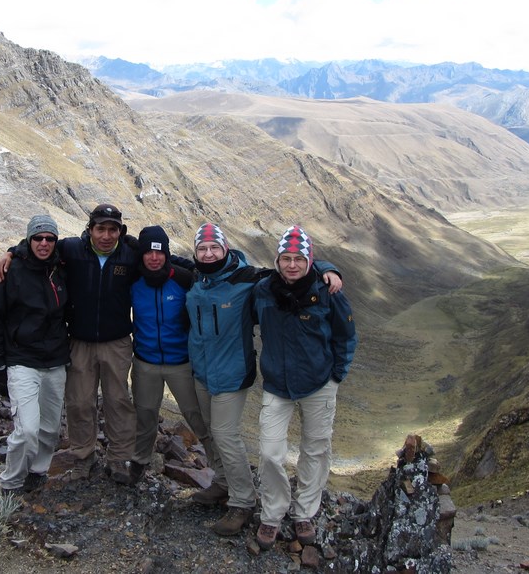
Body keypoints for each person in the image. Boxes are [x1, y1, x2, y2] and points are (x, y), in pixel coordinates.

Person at [186, 223, 344, 537]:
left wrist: (328, 267)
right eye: (202, 248)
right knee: (209, 431)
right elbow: (164, 263)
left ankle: (244, 502)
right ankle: (224, 484)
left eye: (214, 247)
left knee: (226, 434)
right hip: (202, 372)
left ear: (226, 248)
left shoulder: (248, 281)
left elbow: (293, 267)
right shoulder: (194, 278)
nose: (208, 253)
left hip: (233, 373)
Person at [0, 204, 139, 484]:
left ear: (120, 231)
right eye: (101, 229)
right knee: (80, 403)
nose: (106, 235)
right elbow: (38, 244)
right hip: (79, 342)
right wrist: (10, 252)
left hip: (117, 342)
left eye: (113, 229)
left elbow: (163, 261)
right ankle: (83, 457)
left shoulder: (130, 255)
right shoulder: (71, 250)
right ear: (90, 230)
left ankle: (118, 459)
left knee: (118, 401)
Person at [251, 225, 357, 550]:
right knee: (269, 453)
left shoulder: (328, 292)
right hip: (277, 384)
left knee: (315, 449)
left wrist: (336, 375)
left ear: (310, 260)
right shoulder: (263, 291)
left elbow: (345, 335)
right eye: (286, 258)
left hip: (319, 383)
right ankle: (272, 514)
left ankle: (304, 513)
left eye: (299, 258)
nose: (292, 265)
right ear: (277, 260)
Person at [0, 214, 70, 495]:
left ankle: (37, 472)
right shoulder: (10, 272)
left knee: (50, 428)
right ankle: (11, 483)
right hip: (21, 361)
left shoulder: (62, 268)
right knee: (27, 429)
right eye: (37, 238)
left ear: (56, 241)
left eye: (49, 238)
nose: (44, 243)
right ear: (28, 240)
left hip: (55, 361)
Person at [128, 225, 223, 493]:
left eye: (159, 253)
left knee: (198, 419)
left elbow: (220, 269)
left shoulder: (184, 280)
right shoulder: (133, 281)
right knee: (145, 416)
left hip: (181, 363)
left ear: (166, 254)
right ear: (142, 255)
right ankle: (138, 464)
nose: (154, 258)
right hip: (145, 362)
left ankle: (223, 474)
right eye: (148, 253)